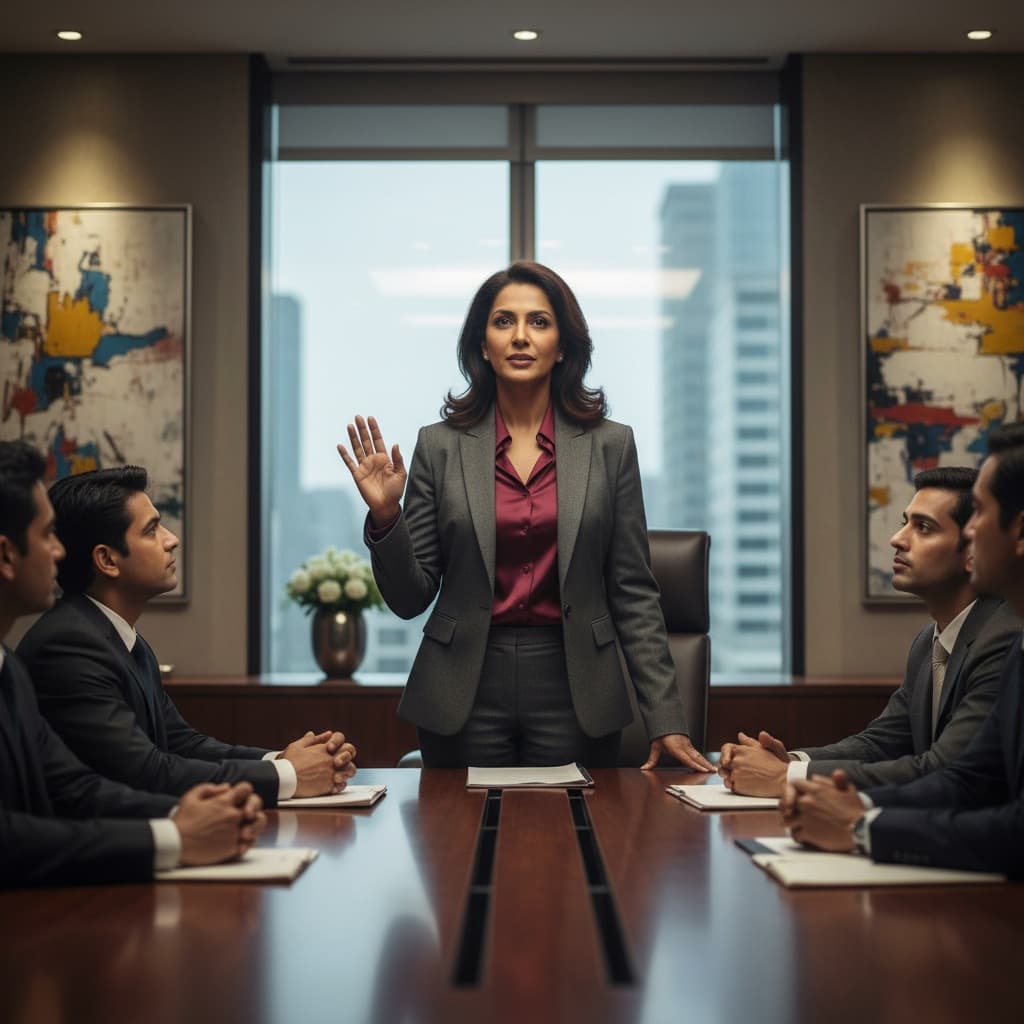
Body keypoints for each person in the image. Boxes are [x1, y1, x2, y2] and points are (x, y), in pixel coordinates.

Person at [338, 261, 712, 770]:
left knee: (575, 843)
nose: (520, 336)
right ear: (482, 347)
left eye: (538, 322)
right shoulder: (439, 446)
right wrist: (386, 518)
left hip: (576, 684)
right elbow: (410, 598)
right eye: (502, 322)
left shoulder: (611, 445)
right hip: (463, 688)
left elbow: (634, 593)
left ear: (563, 346)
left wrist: (666, 717)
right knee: (458, 843)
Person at [0, 441, 265, 885]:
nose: (59, 552)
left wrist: (204, 812)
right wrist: (176, 835)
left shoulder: (11, 665)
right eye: (46, 535)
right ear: (7, 555)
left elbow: (74, 786)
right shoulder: (64, 642)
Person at [18, 466, 357, 807]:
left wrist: (282, 759)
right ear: (107, 559)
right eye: (151, 530)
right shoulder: (68, 645)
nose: (171, 539)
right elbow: (145, 770)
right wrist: (291, 776)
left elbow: (182, 743)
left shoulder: (118, 638)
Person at [782, 423, 1024, 875]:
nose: (970, 534)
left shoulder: (1004, 637)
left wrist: (860, 825)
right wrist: (825, 794)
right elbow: (966, 779)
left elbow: (1010, 823)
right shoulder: (993, 643)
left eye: (980, 517)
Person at [719, 467, 1020, 796]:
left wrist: (787, 776)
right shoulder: (927, 642)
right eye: (904, 522)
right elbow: (881, 743)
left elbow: (944, 768)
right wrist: (787, 760)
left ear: (972, 552)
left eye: (923, 527)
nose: (897, 539)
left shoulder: (1002, 637)